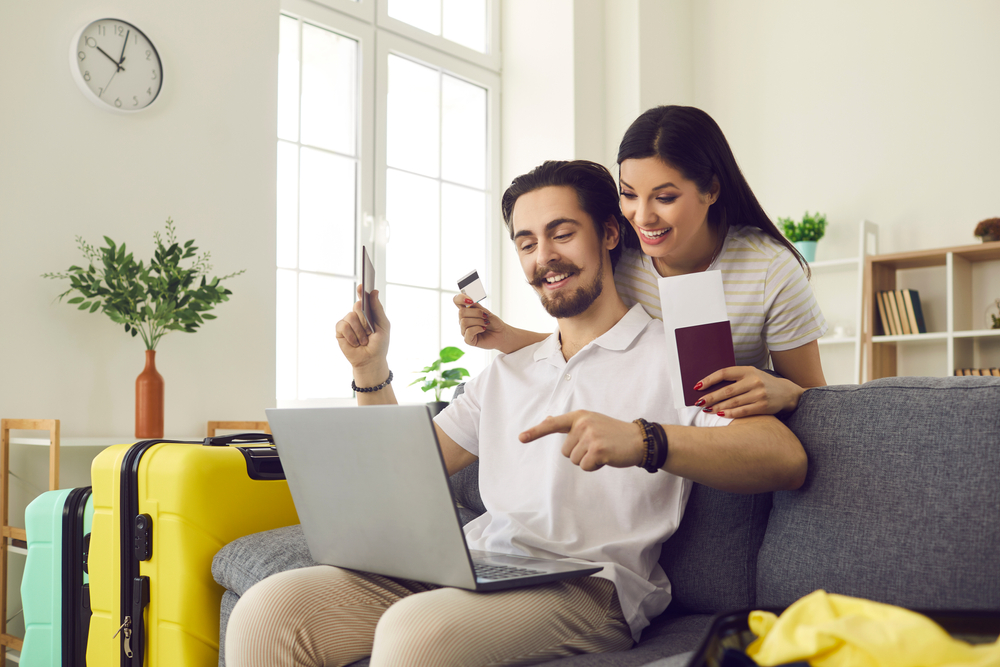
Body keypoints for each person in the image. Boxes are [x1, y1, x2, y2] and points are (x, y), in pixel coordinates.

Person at [225, 160, 806, 667]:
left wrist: (644, 440)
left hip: (588, 587)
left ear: (608, 233)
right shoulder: (509, 370)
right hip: (479, 566)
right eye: (527, 243)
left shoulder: (678, 354)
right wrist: (370, 368)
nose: (544, 257)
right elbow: (406, 474)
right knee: (269, 609)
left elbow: (783, 458)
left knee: (416, 631)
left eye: (561, 234)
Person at [457, 106, 828, 419]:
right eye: (629, 195)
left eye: (664, 197)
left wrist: (785, 392)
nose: (643, 217)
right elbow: (599, 352)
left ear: (711, 189)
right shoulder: (621, 253)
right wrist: (508, 337)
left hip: (726, 430)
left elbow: (816, 398)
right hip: (642, 429)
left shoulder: (769, 270)